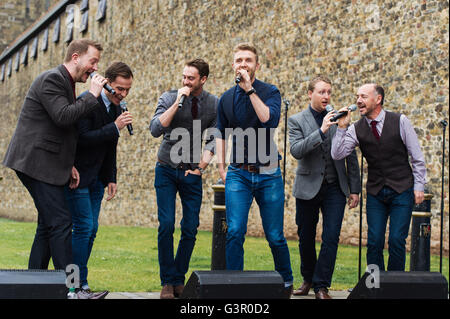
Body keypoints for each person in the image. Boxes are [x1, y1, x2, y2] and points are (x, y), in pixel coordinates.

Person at [2, 38, 106, 272]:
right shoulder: (52, 78)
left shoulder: (65, 83)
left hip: (45, 163)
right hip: (34, 163)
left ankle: (34, 286)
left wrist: (68, 164)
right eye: (93, 61)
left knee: (47, 225)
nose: (96, 68)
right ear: (76, 57)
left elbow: (59, 130)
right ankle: (71, 289)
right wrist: (92, 95)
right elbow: (63, 116)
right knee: (61, 222)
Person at [216, 43, 294, 296]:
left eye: (248, 60)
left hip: (269, 172)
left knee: (275, 235)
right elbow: (220, 132)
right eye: (238, 60)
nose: (243, 64)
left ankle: (286, 282)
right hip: (238, 172)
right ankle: (234, 284)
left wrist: (249, 89)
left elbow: (268, 120)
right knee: (235, 231)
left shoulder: (270, 91)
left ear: (256, 65)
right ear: (232, 65)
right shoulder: (226, 98)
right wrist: (221, 166)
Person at [331, 83, 426, 271]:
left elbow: (416, 157)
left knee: (397, 240)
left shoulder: (400, 121)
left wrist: (419, 186)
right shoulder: (356, 128)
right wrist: (341, 128)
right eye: (357, 96)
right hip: (376, 192)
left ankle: (395, 286)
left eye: (364, 97)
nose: (358, 101)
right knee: (374, 241)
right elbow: (337, 154)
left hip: (402, 189)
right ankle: (375, 286)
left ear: (378, 99)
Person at [150, 58, 218, 299]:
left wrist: (201, 167)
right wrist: (178, 101)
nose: (185, 81)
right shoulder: (169, 97)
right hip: (166, 168)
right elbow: (156, 129)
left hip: (191, 171)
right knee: (166, 225)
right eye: (184, 77)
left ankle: (179, 279)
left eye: (191, 78)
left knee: (190, 228)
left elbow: (214, 136)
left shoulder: (213, 103)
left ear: (203, 79)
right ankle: (167, 282)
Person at [65, 62, 134, 299]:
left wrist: (111, 177)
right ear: (107, 83)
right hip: (78, 176)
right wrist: (114, 127)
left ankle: (81, 284)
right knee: (83, 228)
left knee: (91, 230)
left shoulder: (116, 108)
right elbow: (82, 139)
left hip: (97, 180)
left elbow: (110, 146)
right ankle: (74, 286)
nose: (123, 94)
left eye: (127, 90)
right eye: (119, 89)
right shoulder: (88, 101)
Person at [288, 76, 361, 299]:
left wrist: (355, 188)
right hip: (307, 186)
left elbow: (350, 155)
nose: (326, 96)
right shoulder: (296, 120)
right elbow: (296, 150)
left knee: (331, 236)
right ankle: (308, 279)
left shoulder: (341, 119)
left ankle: (321, 286)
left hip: (335, 188)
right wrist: (321, 130)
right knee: (306, 236)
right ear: (310, 94)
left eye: (329, 92)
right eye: (321, 92)